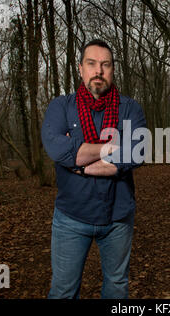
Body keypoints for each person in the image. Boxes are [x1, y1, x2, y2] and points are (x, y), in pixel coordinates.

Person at [41, 39, 146, 299]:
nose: (98, 71)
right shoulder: (60, 106)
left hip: (118, 217)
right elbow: (57, 148)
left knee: (117, 286)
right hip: (71, 217)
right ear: (80, 69)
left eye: (105, 65)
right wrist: (111, 148)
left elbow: (138, 151)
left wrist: (80, 164)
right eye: (91, 64)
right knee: (63, 291)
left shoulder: (130, 108)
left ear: (112, 70)